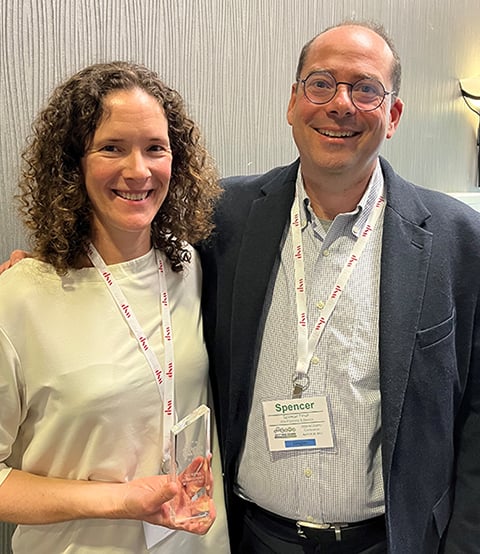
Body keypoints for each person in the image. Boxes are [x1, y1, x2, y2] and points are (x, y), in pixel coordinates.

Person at [199, 20, 480, 554]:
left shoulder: (459, 241)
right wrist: (50, 266)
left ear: (393, 115)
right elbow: (135, 250)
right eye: (321, 83)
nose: (340, 104)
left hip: (392, 541)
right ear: (293, 102)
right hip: (253, 536)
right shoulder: (223, 218)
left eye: (365, 88)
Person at [0, 61, 230, 554]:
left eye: (155, 148)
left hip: (200, 542)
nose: (138, 171)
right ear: (72, 165)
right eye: (111, 148)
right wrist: (120, 500)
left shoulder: (189, 267)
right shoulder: (18, 298)